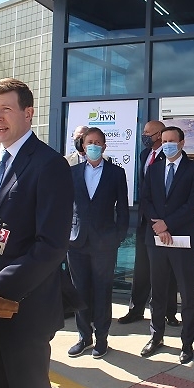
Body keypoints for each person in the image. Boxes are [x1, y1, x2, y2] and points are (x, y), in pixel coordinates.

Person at [0, 78, 73, 388]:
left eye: (5, 109)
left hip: (26, 304)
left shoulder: (49, 164)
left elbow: (51, 244)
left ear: (28, 113)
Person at [139, 126, 194, 364]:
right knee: (157, 291)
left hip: (182, 239)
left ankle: (187, 344)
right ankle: (156, 336)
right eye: (164, 140)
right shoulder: (154, 168)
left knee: (187, 294)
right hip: (156, 239)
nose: (166, 144)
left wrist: (167, 224)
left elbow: (192, 204)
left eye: (171, 141)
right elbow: (145, 199)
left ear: (182, 143)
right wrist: (158, 225)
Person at [66, 127, 129, 359]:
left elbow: (123, 208)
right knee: (79, 291)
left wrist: (118, 236)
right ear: (83, 146)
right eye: (89, 142)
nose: (93, 145)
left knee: (102, 291)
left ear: (104, 146)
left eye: (97, 142)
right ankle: (84, 337)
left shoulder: (116, 173)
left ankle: (102, 338)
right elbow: (64, 205)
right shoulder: (72, 172)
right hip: (77, 242)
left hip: (105, 243)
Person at [118, 120, 180, 327]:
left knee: (166, 269)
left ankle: (169, 312)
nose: (144, 135)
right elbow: (145, 190)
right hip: (145, 221)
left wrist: (162, 221)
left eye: (147, 132)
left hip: (164, 223)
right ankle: (136, 309)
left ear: (159, 135)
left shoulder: (170, 156)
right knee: (142, 268)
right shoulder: (145, 155)